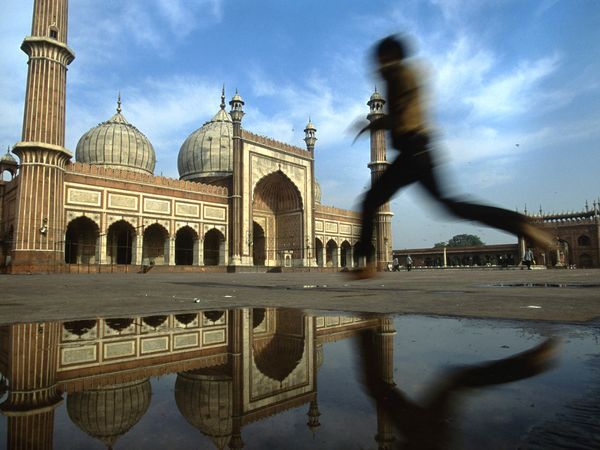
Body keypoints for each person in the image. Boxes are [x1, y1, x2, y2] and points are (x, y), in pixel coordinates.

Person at [350, 35, 555, 280]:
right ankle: (519, 223)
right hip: (419, 151)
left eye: (381, 59)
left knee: (372, 201)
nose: (377, 66)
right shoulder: (405, 75)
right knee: (451, 206)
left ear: (389, 57)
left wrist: (375, 124)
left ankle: (367, 263)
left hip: (413, 151)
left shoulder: (399, 76)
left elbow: (400, 117)